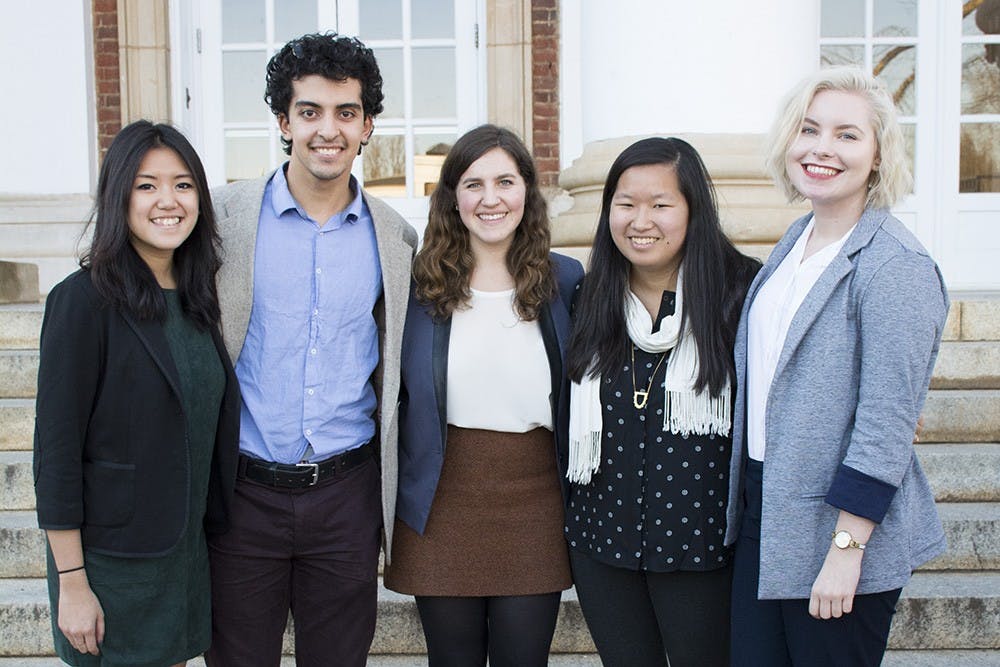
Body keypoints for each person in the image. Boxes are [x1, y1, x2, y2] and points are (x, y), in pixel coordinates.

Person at [725, 67, 949, 667]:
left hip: (842, 532)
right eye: (810, 129)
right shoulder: (794, 242)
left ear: (877, 157)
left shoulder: (895, 265)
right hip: (765, 515)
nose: (822, 148)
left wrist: (847, 551)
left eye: (848, 135)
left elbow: (885, 422)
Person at [205, 33, 417, 667]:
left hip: (345, 498)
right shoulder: (223, 220)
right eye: (310, 111)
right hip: (242, 494)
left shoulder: (395, 238)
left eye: (345, 112)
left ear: (367, 125)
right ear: (283, 121)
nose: (329, 130)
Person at [33, 120, 240, 667]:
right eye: (146, 185)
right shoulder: (83, 302)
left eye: (183, 184)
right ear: (118, 195)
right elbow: (56, 454)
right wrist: (73, 582)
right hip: (111, 565)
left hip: (184, 559)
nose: (167, 201)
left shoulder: (199, 300)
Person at [383, 124, 584, 667]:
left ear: (527, 191)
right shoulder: (416, 287)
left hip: (533, 505)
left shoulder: (565, 280)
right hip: (441, 503)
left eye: (505, 181)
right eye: (473, 184)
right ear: (451, 197)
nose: (490, 199)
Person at [563, 137, 761, 666]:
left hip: (703, 547)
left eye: (660, 204)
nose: (639, 220)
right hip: (602, 542)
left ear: (694, 209)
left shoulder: (742, 293)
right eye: (625, 204)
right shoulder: (585, 299)